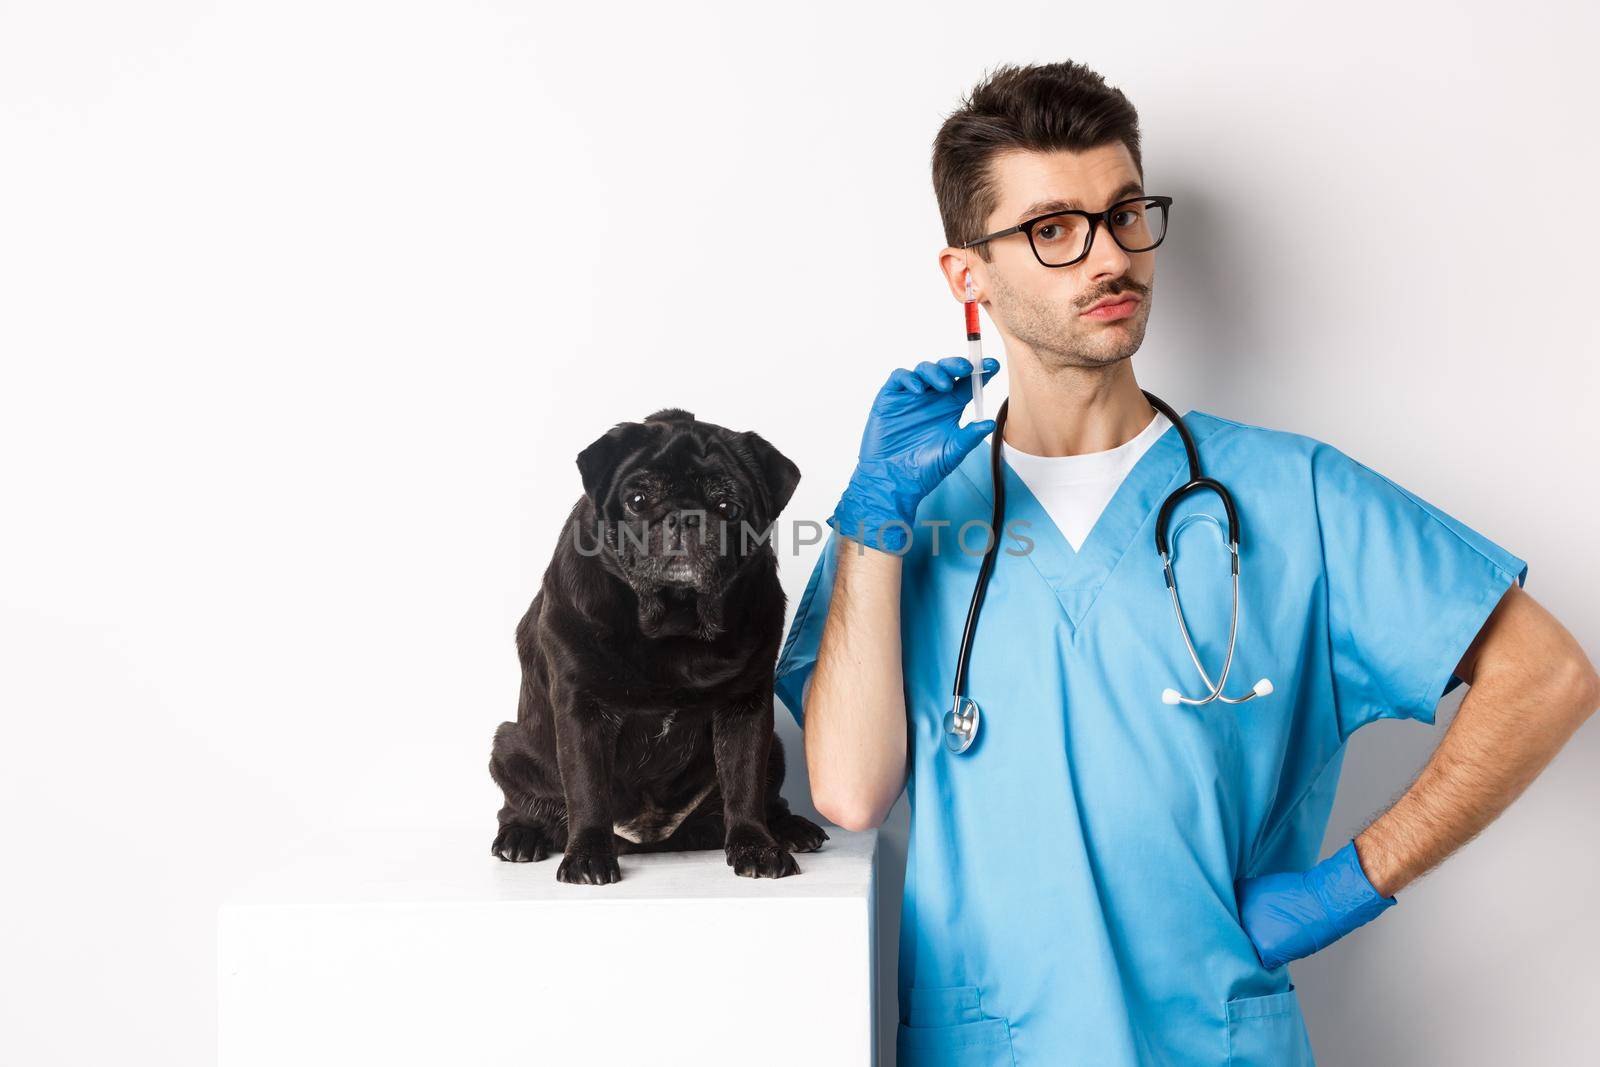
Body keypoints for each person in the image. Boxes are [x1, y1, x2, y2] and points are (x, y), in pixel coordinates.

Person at [773, 61, 1599, 1066]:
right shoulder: (913, 521)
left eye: (1125, 213)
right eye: (1052, 229)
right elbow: (851, 794)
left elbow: (1547, 675)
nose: (1106, 257)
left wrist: (1349, 880)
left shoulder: (1294, 495)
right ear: (968, 277)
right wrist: (869, 521)